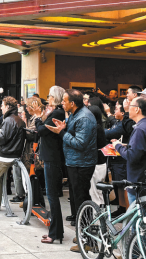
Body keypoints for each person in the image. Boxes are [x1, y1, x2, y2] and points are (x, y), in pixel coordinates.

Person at [46, 89, 97, 253]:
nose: (62, 103)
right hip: (75, 162)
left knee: (82, 200)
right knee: (76, 200)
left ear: (72, 103)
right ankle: (83, 233)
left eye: (64, 101)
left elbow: (80, 143)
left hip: (82, 164)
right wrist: (64, 127)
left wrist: (62, 132)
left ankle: (88, 240)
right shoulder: (75, 114)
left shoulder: (84, 117)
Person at [112, 97, 146, 204]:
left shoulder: (140, 129)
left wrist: (117, 146)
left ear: (137, 109)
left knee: (141, 217)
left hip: (139, 181)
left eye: (130, 106)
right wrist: (127, 145)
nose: (127, 109)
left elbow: (132, 156)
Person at [36, 86, 66, 244]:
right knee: (51, 195)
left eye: (49, 96)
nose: (47, 98)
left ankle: (55, 233)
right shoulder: (56, 112)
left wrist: (37, 118)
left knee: (52, 196)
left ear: (54, 97)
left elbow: (41, 130)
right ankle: (56, 231)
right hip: (51, 155)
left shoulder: (57, 112)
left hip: (53, 156)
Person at [88, 105, 108, 206]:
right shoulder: (99, 127)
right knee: (98, 191)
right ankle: (101, 213)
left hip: (96, 162)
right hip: (101, 162)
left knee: (95, 191)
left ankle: (98, 214)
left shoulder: (94, 128)